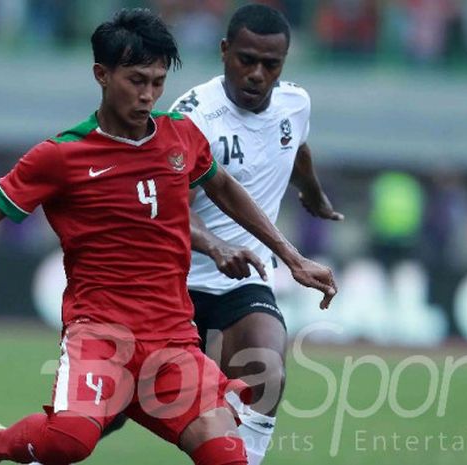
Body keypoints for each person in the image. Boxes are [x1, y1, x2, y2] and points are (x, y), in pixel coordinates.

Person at [0, 9, 336, 465]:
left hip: (172, 342)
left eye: (158, 83)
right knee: (69, 441)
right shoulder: (60, 156)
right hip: (99, 336)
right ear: (102, 74)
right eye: (136, 81)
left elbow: (227, 189)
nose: (147, 96)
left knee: (228, 455)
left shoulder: (180, 138)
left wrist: (292, 258)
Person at [170, 4, 343, 464]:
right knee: (118, 408)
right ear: (225, 51)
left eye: (271, 65)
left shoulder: (296, 103)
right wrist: (215, 244)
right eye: (246, 59)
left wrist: (314, 195)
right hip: (176, 283)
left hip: (242, 281)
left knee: (267, 373)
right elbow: (172, 209)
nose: (257, 74)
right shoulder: (193, 116)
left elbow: (297, 149)